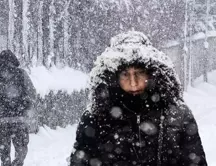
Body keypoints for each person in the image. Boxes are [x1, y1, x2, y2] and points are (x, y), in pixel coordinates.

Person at [69, 31, 207, 166]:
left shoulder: (177, 115)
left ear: (152, 73)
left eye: (139, 73)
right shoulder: (95, 119)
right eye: (125, 74)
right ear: (113, 77)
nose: (133, 83)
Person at [0, 50, 36, 166]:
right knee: (21, 148)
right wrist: (26, 105)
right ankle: (17, 163)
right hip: (19, 119)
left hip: (1, 120)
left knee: (4, 150)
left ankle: (6, 164)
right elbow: (32, 93)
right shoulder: (21, 74)